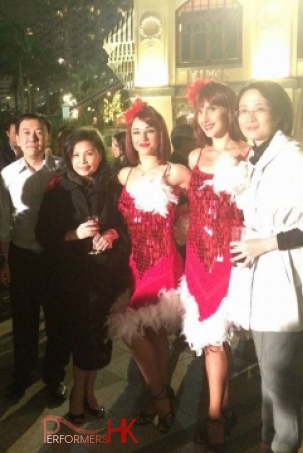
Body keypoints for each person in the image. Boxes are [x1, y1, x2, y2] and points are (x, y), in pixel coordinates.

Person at [106, 98, 191, 432]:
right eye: (136, 131)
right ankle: (162, 392)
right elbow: (113, 217)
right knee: (153, 335)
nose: (142, 137)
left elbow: (203, 209)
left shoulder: (175, 172)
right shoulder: (124, 174)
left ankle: (158, 397)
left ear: (161, 134)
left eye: (149, 130)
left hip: (164, 261)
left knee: (131, 330)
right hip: (134, 263)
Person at [228, 81, 303, 453]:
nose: (249, 116)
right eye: (243, 109)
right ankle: (266, 441)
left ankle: (285, 443)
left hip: (282, 277)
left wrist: (266, 243)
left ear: (278, 112)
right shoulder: (255, 157)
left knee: (281, 378)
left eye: (259, 108)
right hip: (257, 278)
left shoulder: (293, 157)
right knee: (266, 374)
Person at [36, 128, 129, 424]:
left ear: (100, 154)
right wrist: (74, 233)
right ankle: (79, 393)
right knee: (82, 335)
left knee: (101, 336)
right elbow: (44, 235)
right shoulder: (59, 190)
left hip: (106, 275)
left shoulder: (113, 187)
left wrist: (113, 233)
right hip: (73, 277)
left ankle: (90, 391)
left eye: (89, 153)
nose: (83, 160)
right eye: (76, 154)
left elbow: (126, 226)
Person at [179, 80, 250, 451]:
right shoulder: (194, 157)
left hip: (231, 257)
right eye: (200, 109)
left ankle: (214, 417)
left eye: (213, 108)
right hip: (197, 257)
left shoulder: (248, 152)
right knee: (213, 340)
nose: (205, 117)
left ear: (229, 111)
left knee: (217, 341)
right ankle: (224, 404)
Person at [0, 112, 70, 403]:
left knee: (57, 322)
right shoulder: (8, 175)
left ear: (48, 137)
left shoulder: (64, 170)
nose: (32, 138)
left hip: (56, 258)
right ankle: (22, 375)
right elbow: (3, 221)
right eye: (26, 132)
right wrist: (4, 261)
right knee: (23, 322)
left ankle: (54, 377)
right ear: (16, 137)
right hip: (22, 257)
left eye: (39, 132)